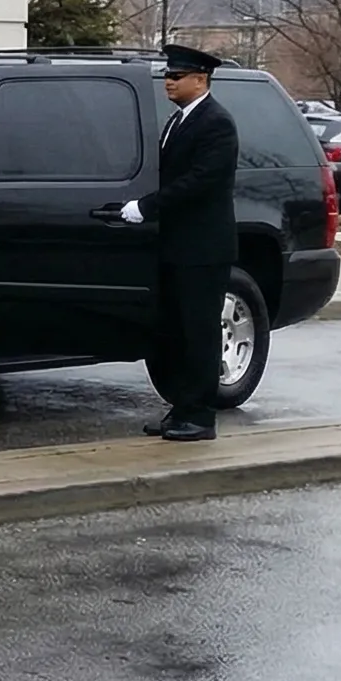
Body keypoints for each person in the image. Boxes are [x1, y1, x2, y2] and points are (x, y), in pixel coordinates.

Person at [121, 43, 240, 441]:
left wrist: (148, 206)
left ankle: (201, 416)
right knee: (176, 331)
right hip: (177, 247)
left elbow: (200, 182)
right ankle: (183, 407)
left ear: (200, 79)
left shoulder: (216, 123)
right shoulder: (180, 120)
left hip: (203, 250)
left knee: (199, 331)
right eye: (167, 76)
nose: (168, 83)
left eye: (176, 76)